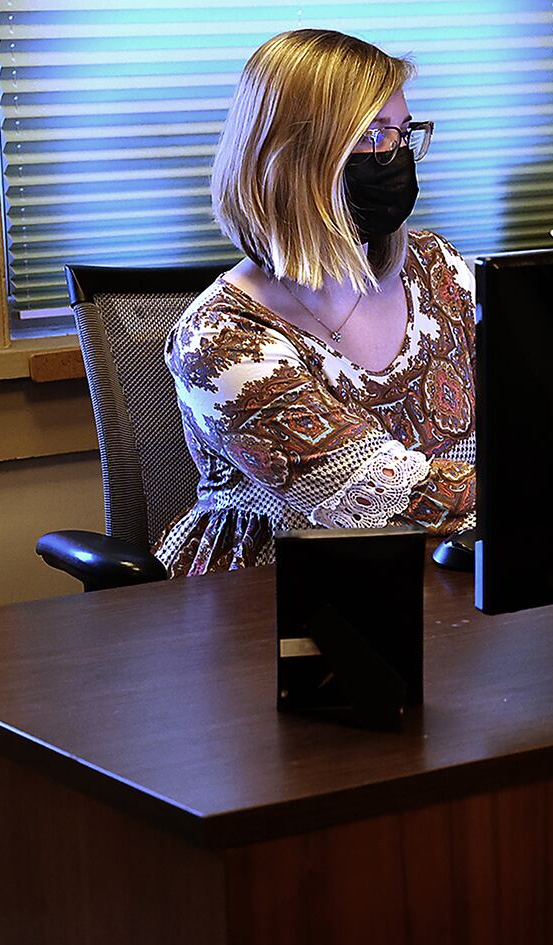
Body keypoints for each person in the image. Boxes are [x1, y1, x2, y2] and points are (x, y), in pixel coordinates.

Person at [158, 29, 476, 575]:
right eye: (372, 135)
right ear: (291, 157)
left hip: (456, 576)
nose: (394, 157)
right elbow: (381, 500)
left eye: (402, 134)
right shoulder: (219, 342)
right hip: (279, 609)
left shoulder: (436, 266)